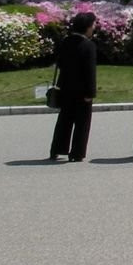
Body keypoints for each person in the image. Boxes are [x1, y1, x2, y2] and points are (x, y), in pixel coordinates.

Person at [48, 12, 98, 162]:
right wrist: (91, 92)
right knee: (82, 122)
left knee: (64, 119)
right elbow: (90, 71)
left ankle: (57, 148)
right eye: (93, 25)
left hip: (65, 86)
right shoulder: (89, 45)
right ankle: (77, 152)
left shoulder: (66, 41)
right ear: (87, 27)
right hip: (82, 90)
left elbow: (61, 63)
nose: (94, 27)